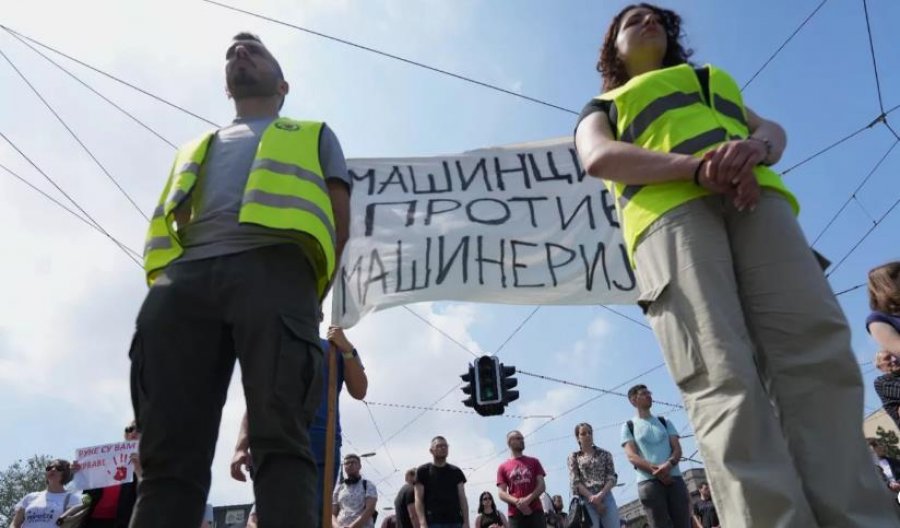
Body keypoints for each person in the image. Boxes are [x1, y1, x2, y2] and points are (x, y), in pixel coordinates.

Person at [574, 3, 897, 526]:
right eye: (631, 21)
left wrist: (754, 149)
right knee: (721, 375)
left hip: (760, 203)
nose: (646, 20)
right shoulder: (603, 101)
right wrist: (696, 169)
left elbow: (771, 130)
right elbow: (597, 157)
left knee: (817, 357)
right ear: (612, 49)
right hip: (669, 217)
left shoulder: (711, 79)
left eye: (655, 15)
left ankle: (862, 516)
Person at [128, 30, 351, 528]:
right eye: (232, 52)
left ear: (283, 85)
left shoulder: (314, 133)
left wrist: (310, 294)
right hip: (183, 285)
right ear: (226, 88)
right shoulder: (194, 146)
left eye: (254, 50)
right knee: (167, 456)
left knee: (281, 442)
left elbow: (341, 218)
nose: (240, 52)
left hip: (276, 271)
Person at [231, 323, 368, 526]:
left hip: (322, 445)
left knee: (315, 516)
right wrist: (241, 447)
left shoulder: (333, 349)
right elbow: (256, 402)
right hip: (279, 443)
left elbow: (360, 390)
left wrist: (347, 349)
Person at [620, 385, 689, 528]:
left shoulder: (665, 421)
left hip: (674, 479)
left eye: (649, 393)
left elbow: (677, 449)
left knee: (683, 523)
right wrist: (657, 472)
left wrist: (668, 465)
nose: (648, 395)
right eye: (644, 393)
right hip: (649, 483)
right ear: (633, 400)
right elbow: (632, 456)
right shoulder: (628, 426)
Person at [74, 421, 141, 528]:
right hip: (92, 519)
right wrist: (79, 471)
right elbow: (85, 493)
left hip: (125, 521)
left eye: (139, 429)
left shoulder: (150, 461)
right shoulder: (105, 456)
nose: (133, 432)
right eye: (129, 429)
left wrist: (139, 470)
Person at [568, 422, 620, 528]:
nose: (587, 435)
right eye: (583, 433)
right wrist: (592, 498)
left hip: (606, 497)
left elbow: (612, 477)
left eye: (590, 432)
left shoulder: (605, 454)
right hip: (586, 501)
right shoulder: (574, 457)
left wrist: (600, 495)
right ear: (578, 438)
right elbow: (575, 482)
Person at [414, 436, 469, 528]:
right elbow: (418, 499)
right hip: (432, 522)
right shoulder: (422, 471)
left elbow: (462, 498)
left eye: (445, 446)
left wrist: (466, 522)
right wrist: (422, 523)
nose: (443, 448)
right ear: (431, 450)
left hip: (455, 521)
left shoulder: (456, 472)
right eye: (439, 446)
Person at [10, 459, 81, 528]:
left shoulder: (72, 499)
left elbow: (74, 524)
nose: (53, 469)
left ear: (66, 473)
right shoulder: (30, 497)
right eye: (49, 468)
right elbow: (15, 524)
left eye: (59, 468)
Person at [497, 430, 546, 528]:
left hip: (535, 511)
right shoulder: (503, 467)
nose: (522, 441)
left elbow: (542, 485)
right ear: (510, 442)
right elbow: (501, 493)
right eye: (518, 438)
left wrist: (528, 500)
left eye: (522, 438)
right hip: (515, 514)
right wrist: (518, 502)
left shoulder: (534, 462)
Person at [332, 454, 378, 528]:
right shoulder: (339, 488)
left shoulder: (368, 485)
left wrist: (352, 527)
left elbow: (370, 509)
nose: (350, 465)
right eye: (347, 463)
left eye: (353, 462)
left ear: (360, 466)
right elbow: (332, 514)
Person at [873, 349, 900, 429]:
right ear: (880, 367)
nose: (894, 359)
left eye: (895, 355)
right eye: (888, 358)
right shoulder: (882, 381)